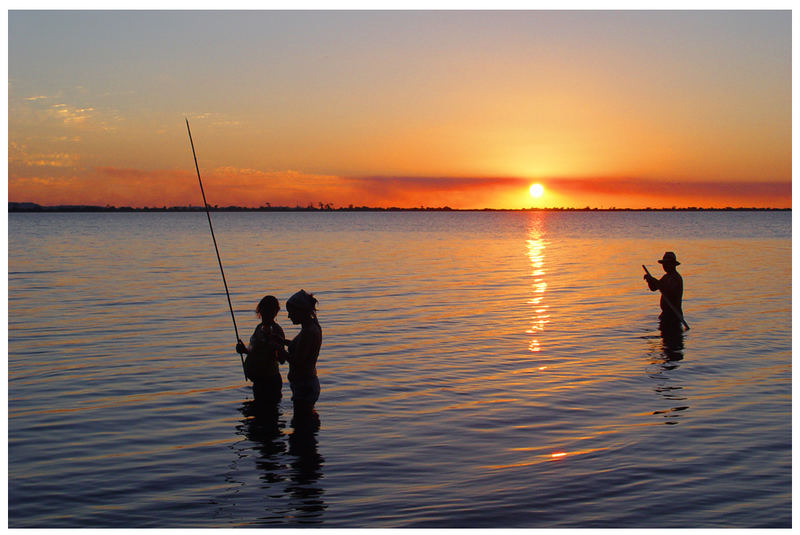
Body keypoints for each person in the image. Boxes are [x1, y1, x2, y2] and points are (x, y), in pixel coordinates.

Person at [277, 290, 322, 413]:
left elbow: (298, 361)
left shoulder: (308, 332)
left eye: (291, 312)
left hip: (305, 386)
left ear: (300, 311)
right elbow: (301, 348)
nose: (289, 316)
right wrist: (283, 341)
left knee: (302, 425)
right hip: (305, 385)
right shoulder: (311, 327)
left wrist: (279, 350)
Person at [236, 295, 286, 404]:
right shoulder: (258, 328)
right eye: (264, 310)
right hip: (259, 381)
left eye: (270, 310)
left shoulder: (277, 330)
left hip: (270, 380)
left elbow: (282, 359)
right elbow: (254, 351)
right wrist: (244, 350)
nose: (266, 314)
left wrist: (273, 347)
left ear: (275, 312)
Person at [644, 252, 684, 330]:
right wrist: (650, 281)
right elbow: (654, 288)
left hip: (673, 315)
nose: (664, 266)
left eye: (667, 264)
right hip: (665, 314)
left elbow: (669, 292)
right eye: (664, 264)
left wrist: (654, 280)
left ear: (673, 264)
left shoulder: (675, 278)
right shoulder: (666, 277)